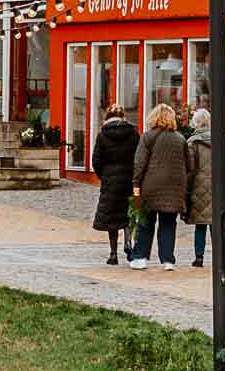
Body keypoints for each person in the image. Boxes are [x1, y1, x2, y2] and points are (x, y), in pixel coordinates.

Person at [131, 102, 188, 269]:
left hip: (150, 186)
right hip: (175, 188)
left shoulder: (147, 137)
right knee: (168, 224)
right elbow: (188, 164)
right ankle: (167, 260)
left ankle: (140, 257)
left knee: (145, 221)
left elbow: (139, 162)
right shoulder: (180, 139)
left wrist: (136, 183)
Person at [90, 100, 140, 266]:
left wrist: (103, 175)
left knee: (111, 217)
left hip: (110, 179)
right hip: (129, 178)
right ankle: (128, 243)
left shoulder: (103, 134)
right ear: (122, 116)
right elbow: (139, 156)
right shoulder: (133, 133)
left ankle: (113, 253)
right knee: (128, 213)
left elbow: (96, 160)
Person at [185, 106, 214, 268]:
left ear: (196, 123)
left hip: (198, 187)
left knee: (200, 225)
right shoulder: (220, 140)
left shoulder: (192, 143)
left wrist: (187, 190)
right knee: (216, 226)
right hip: (217, 188)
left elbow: (189, 169)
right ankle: (219, 256)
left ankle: (199, 257)